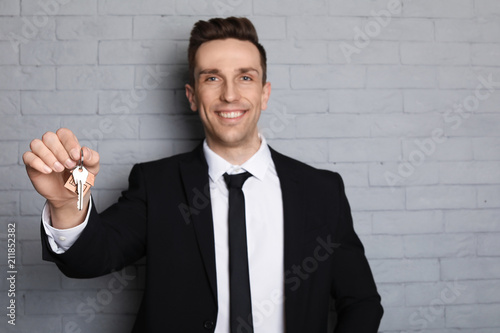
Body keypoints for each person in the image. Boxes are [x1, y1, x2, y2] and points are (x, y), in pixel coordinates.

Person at [23, 17, 383, 333]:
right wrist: (68, 203)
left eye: (245, 77)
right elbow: (91, 259)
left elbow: (362, 302)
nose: (229, 94)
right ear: (192, 96)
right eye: (213, 78)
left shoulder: (322, 191)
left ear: (265, 93)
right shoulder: (156, 185)